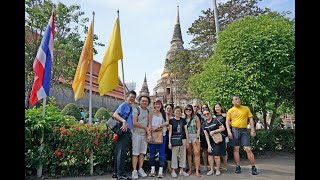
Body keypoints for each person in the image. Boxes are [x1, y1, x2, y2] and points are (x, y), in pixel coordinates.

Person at [226, 95, 258, 175]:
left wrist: (252, 129)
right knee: (236, 149)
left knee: (248, 149)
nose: (238, 100)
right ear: (232, 102)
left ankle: (253, 167)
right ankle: (238, 166)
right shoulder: (230, 110)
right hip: (234, 130)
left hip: (244, 131)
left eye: (239, 99)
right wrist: (229, 131)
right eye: (235, 99)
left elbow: (250, 118)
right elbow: (227, 121)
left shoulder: (246, 108)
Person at [112, 90, 137, 180]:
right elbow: (115, 114)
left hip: (126, 132)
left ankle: (116, 172)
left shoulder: (130, 107)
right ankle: (120, 175)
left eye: (134, 98)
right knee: (121, 153)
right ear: (127, 97)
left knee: (119, 152)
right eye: (131, 97)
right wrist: (124, 121)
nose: (132, 99)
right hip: (123, 131)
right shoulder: (124, 105)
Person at [131, 95, 152, 179]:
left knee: (142, 153)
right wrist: (145, 128)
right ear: (140, 101)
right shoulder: (136, 110)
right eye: (143, 101)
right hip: (136, 134)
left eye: (146, 101)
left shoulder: (148, 111)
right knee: (135, 153)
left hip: (144, 135)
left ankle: (140, 169)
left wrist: (149, 133)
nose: (144, 102)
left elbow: (149, 123)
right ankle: (134, 170)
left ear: (148, 103)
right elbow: (134, 122)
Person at [149, 98, 168, 178]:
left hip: (162, 134)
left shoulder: (163, 113)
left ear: (161, 105)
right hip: (153, 134)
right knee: (152, 153)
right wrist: (149, 134)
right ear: (154, 105)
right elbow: (149, 124)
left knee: (162, 153)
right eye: (156, 104)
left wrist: (159, 126)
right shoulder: (151, 113)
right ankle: (152, 169)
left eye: (159, 104)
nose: (158, 105)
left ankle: (161, 170)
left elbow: (167, 122)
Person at [203, 108, 226, 176]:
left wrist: (214, 131)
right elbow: (206, 135)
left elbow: (223, 128)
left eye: (207, 113)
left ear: (210, 113)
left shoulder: (215, 120)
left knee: (216, 156)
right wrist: (209, 145)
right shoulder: (204, 124)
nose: (206, 115)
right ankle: (212, 170)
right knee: (210, 156)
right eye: (204, 114)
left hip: (218, 140)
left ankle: (218, 170)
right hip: (210, 141)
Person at [168, 106, 189, 177]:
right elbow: (170, 131)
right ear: (174, 112)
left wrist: (187, 141)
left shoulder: (183, 120)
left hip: (183, 139)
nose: (178, 112)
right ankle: (173, 170)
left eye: (179, 111)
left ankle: (182, 170)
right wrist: (169, 142)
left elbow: (186, 131)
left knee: (183, 155)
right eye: (176, 111)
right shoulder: (171, 120)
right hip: (174, 139)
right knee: (174, 155)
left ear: (181, 112)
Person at [184, 104, 201, 177]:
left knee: (197, 153)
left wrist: (197, 137)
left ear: (192, 110)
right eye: (187, 109)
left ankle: (197, 170)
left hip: (194, 136)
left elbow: (199, 128)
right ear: (184, 110)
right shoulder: (183, 118)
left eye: (190, 109)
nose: (188, 111)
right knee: (189, 154)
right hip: (187, 137)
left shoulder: (196, 117)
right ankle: (190, 169)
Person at [212, 103, 228, 171]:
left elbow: (227, 125)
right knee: (217, 151)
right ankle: (219, 165)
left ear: (221, 107)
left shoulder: (225, 115)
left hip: (224, 135)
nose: (217, 108)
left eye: (218, 107)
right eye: (216, 107)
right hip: (216, 136)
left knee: (224, 150)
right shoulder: (213, 116)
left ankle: (225, 165)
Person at [199, 104, 209, 172]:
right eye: (203, 108)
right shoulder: (199, 116)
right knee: (205, 151)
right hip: (203, 136)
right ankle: (205, 165)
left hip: (211, 135)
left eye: (205, 107)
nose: (204, 108)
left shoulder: (211, 116)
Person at [164, 104, 173, 173]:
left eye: (170, 108)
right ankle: (165, 165)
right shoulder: (163, 116)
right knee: (164, 151)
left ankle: (170, 166)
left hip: (172, 135)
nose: (168, 109)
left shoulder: (173, 118)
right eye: (167, 108)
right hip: (164, 135)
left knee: (170, 151)